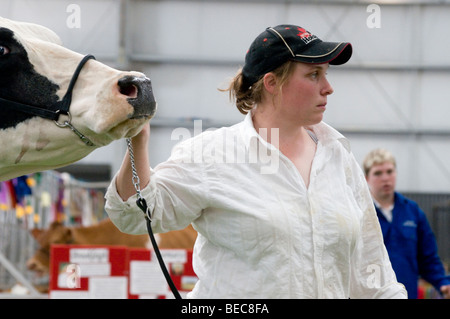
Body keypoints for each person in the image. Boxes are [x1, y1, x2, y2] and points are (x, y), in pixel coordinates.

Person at [105, 24, 406, 298]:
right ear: (272, 82)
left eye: (326, 74)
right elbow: (134, 215)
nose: (328, 87)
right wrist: (137, 141)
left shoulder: (338, 155)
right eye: (314, 75)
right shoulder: (214, 154)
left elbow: (373, 271)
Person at [363, 148, 450, 299]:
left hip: (407, 294)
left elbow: (428, 258)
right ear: (366, 178)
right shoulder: (359, 213)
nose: (385, 178)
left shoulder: (413, 212)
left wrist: (443, 282)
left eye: (389, 171)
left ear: (396, 173)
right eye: (378, 173)